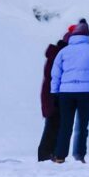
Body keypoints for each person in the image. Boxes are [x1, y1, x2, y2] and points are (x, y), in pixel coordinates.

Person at [47, 19, 89, 163]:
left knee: (65, 125)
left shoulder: (63, 52)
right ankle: (80, 156)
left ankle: (60, 156)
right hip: (87, 92)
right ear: (87, 35)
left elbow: (56, 74)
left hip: (66, 93)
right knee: (82, 126)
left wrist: (54, 93)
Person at [38, 28, 72, 161]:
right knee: (54, 125)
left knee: (55, 125)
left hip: (53, 96)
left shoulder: (57, 55)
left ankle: (50, 156)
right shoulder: (60, 57)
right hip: (54, 97)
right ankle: (46, 156)